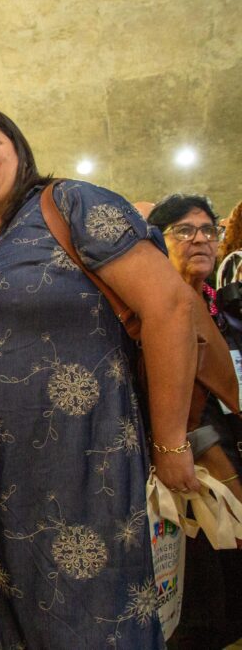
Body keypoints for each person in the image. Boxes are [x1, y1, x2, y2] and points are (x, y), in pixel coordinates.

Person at [0, 105, 198, 649]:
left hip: (81, 466)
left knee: (89, 618)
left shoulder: (71, 204)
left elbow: (169, 307)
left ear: (19, 150)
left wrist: (171, 443)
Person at [147, 194, 242, 650]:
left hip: (227, 449)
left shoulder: (222, 307)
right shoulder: (154, 306)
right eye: (185, 231)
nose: (200, 239)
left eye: (209, 230)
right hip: (192, 471)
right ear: (158, 241)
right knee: (202, 604)